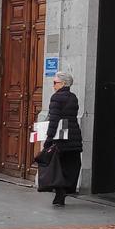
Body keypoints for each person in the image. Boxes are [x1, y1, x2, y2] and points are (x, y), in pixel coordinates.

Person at [43, 72, 83, 207]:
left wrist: (48, 139)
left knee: (58, 166)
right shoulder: (74, 97)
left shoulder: (56, 98)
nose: (53, 86)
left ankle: (59, 193)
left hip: (61, 138)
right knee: (71, 165)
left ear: (63, 84)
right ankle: (66, 190)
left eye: (55, 83)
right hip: (74, 136)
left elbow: (54, 120)